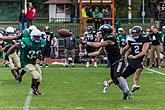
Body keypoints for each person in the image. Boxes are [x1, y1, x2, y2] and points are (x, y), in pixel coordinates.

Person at [79, 24, 132, 100]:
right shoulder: (105, 39)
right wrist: (86, 54)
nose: (100, 34)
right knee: (115, 80)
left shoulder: (110, 37)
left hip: (118, 60)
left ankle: (128, 92)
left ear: (105, 32)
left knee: (117, 75)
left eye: (101, 32)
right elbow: (98, 53)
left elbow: (98, 45)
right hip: (113, 63)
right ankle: (125, 92)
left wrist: (86, 42)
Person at [102, 26, 150, 93]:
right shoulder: (130, 39)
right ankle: (134, 84)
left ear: (140, 33)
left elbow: (143, 52)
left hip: (137, 58)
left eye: (136, 33)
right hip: (132, 58)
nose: (134, 35)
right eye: (133, 33)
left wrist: (135, 57)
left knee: (123, 76)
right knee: (139, 68)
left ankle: (108, 82)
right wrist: (120, 56)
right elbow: (125, 48)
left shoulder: (145, 39)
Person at [5, 29, 46, 95]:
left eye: (38, 37)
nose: (37, 38)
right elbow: (15, 46)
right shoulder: (27, 42)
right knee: (36, 75)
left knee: (39, 78)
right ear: (32, 36)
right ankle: (33, 88)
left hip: (33, 62)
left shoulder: (41, 42)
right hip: (25, 62)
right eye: (36, 37)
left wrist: (40, 56)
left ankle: (36, 89)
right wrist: (7, 54)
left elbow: (38, 51)